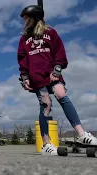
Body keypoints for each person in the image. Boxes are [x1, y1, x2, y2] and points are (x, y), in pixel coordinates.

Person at [17, 5, 97, 155]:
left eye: (27, 18)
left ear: (35, 17)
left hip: (52, 73)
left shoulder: (50, 32)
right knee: (46, 105)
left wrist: (58, 68)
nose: (25, 21)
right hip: (36, 77)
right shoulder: (24, 39)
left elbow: (59, 52)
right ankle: (46, 144)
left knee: (61, 94)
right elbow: (22, 59)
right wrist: (25, 76)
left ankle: (82, 134)